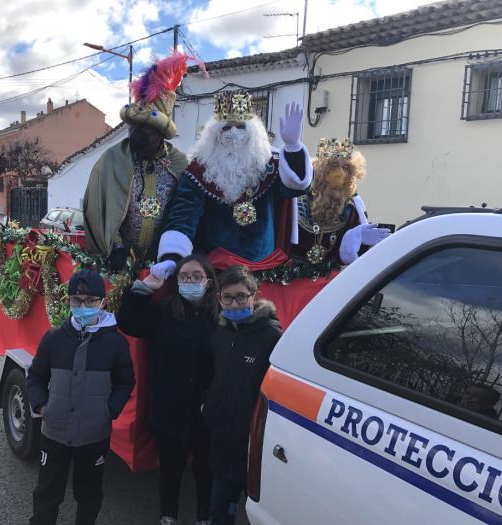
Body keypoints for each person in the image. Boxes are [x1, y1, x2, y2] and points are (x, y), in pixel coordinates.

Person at [152, 91, 313, 279]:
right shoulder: (198, 170)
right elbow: (183, 216)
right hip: (215, 269)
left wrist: (293, 147)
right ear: (214, 134)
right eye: (226, 128)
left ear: (253, 133)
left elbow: (295, 188)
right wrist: (172, 256)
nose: (234, 133)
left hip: (264, 267)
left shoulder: (271, 164)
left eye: (241, 126)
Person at [27, 269, 135, 525]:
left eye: (90, 301)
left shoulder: (115, 344)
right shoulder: (54, 338)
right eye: (77, 300)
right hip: (54, 433)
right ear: (69, 302)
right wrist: (42, 406)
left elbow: (125, 382)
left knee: (89, 495)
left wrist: (108, 411)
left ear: (102, 302)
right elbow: (36, 376)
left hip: (93, 436)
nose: (83, 306)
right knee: (46, 493)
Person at [117, 255, 219, 525]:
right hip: (168, 409)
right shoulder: (163, 312)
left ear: (208, 282)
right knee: (170, 471)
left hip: (206, 411)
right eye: (185, 277)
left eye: (197, 277)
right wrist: (145, 286)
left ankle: (204, 517)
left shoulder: (220, 317)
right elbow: (129, 322)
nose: (191, 281)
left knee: (205, 470)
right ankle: (168, 515)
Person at [83, 52, 205, 270]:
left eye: (146, 128)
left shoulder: (180, 164)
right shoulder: (112, 160)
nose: (138, 134)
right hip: (116, 263)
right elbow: (98, 209)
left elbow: (185, 212)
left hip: (162, 263)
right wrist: (117, 248)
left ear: (161, 133)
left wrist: (169, 253)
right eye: (134, 126)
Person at [203, 265, 282, 525]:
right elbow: (213, 378)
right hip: (222, 444)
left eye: (241, 296)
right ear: (219, 299)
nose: (235, 303)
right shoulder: (220, 336)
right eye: (228, 297)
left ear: (254, 296)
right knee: (220, 513)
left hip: (253, 448)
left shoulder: (272, 337)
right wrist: (209, 408)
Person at [293, 138, 390, 265]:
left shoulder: (353, 209)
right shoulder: (298, 201)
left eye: (345, 167)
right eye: (334, 167)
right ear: (321, 171)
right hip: (294, 276)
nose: (340, 173)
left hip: (334, 278)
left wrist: (353, 241)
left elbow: (360, 254)